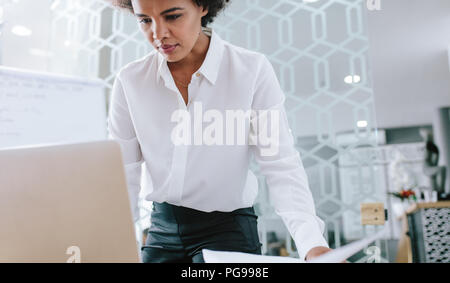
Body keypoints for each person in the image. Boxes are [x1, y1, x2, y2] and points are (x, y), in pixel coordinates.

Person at [107, 0, 331, 263]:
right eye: (145, 20)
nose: (158, 34)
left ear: (203, 6)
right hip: (161, 232)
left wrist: (313, 245)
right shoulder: (130, 81)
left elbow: (281, 164)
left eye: (173, 16)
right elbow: (123, 176)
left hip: (228, 233)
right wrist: (111, 247)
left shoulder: (251, 71)